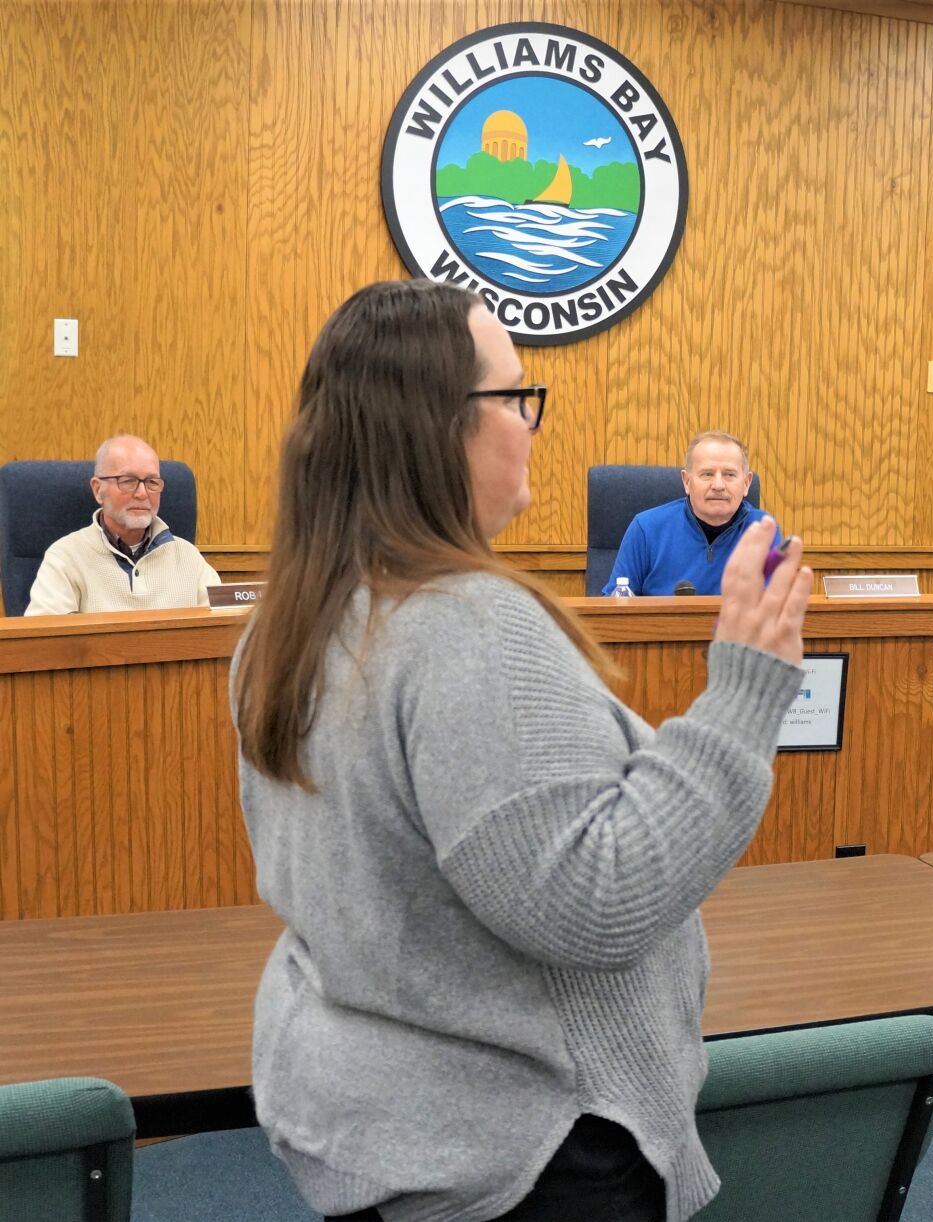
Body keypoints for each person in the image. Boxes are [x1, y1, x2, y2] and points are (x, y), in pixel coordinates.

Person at [231, 280, 811, 1222]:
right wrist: (743, 692)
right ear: (440, 426)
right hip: (528, 1150)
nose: (532, 423)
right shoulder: (468, 627)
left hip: (387, 1120)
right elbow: (599, 899)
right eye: (515, 396)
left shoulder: (291, 620)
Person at [24, 434, 221, 614]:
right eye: (128, 481)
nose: (142, 493)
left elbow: (224, 629)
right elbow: (44, 644)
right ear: (98, 489)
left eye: (152, 482)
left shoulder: (188, 557)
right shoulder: (64, 558)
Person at [602, 432, 776, 595]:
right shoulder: (646, 528)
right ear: (687, 481)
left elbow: (775, 611)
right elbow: (614, 610)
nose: (718, 485)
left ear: (746, 483)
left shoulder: (764, 530)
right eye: (707, 474)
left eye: (729, 475)